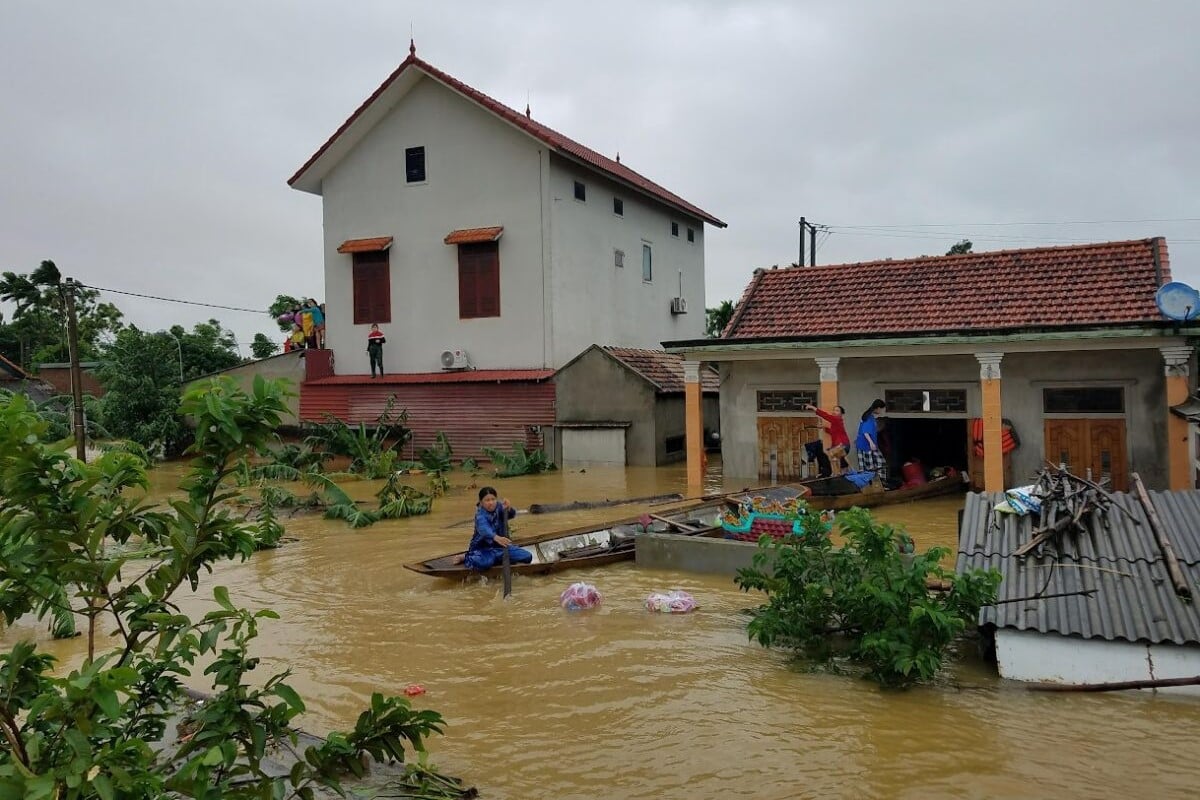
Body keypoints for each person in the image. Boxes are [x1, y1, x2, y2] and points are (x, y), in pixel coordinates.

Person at [463, 487, 533, 571]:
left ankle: (496, 559)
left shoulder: (499, 506)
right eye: (487, 500)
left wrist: (509, 508)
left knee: (527, 556)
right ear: (481, 502)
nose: (491, 503)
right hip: (483, 549)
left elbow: (511, 515)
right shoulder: (480, 515)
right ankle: (466, 557)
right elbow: (484, 529)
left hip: (500, 547)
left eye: (493, 499)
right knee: (485, 563)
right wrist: (496, 537)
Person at [805, 403, 850, 474]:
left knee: (832, 456)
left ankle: (838, 473)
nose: (834, 412)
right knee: (839, 460)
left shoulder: (837, 419)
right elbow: (831, 432)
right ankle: (845, 473)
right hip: (839, 445)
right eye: (834, 410)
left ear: (841, 414)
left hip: (842, 445)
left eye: (837, 410)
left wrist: (813, 408)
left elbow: (826, 416)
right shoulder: (836, 423)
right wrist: (823, 427)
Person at [856, 399, 888, 482]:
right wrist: (871, 443)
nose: (881, 411)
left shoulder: (869, 416)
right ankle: (875, 483)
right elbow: (865, 432)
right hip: (866, 445)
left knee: (877, 463)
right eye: (881, 409)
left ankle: (878, 482)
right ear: (877, 408)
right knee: (870, 466)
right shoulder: (869, 417)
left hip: (866, 444)